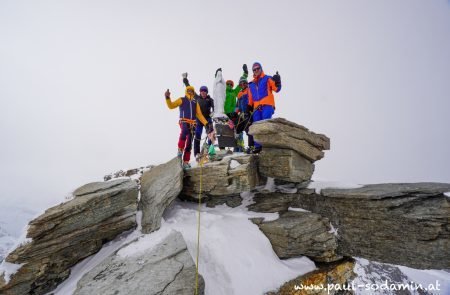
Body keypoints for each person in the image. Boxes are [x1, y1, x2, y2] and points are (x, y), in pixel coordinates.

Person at [165, 86, 210, 169]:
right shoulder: (182, 99)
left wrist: (206, 123)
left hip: (193, 124)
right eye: (188, 90)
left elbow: (199, 115)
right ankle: (180, 150)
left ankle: (186, 162)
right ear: (186, 91)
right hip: (184, 121)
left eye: (191, 90)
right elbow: (171, 106)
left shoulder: (195, 102)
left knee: (189, 143)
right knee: (184, 132)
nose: (190, 92)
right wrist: (167, 97)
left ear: (193, 92)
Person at [247, 62, 281, 153]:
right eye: (254, 69)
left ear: (261, 69)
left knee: (266, 123)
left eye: (258, 68)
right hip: (256, 108)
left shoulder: (267, 78)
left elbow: (276, 89)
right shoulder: (250, 84)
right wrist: (249, 107)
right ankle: (258, 147)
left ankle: (267, 144)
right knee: (257, 126)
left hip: (267, 104)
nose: (256, 70)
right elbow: (250, 98)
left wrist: (277, 81)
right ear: (253, 71)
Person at [182, 74, 215, 162]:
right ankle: (197, 153)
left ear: (207, 92)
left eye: (205, 91)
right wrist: (185, 80)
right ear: (200, 92)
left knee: (211, 134)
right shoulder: (196, 97)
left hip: (207, 119)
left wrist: (213, 112)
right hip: (198, 120)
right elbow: (189, 88)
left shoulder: (210, 99)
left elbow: (214, 107)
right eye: (202, 91)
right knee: (197, 136)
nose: (203, 92)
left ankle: (210, 150)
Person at [235, 77, 255, 153]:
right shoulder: (239, 93)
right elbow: (237, 105)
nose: (243, 84)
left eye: (244, 83)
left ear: (246, 84)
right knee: (238, 129)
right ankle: (240, 146)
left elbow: (252, 100)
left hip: (248, 113)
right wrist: (235, 112)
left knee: (249, 130)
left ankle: (251, 146)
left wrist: (251, 109)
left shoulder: (249, 90)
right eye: (241, 83)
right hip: (241, 114)